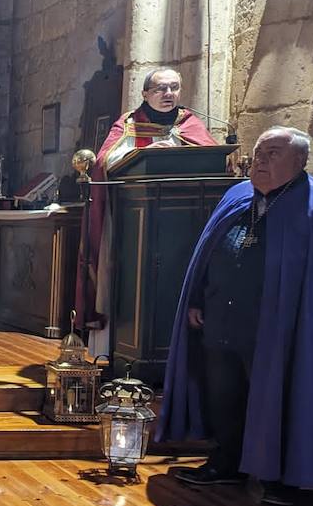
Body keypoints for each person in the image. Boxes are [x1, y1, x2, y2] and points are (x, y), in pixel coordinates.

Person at [159, 127, 313, 506]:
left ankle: (282, 479)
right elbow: (207, 254)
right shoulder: (237, 196)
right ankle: (228, 462)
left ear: (300, 162)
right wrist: (197, 299)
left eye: (273, 154)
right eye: (259, 153)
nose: (260, 160)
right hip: (222, 319)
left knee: (279, 397)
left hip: (281, 327)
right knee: (224, 394)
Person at [76, 68, 217, 352]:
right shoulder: (128, 124)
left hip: (182, 221)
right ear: (144, 94)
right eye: (160, 89)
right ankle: (119, 348)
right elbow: (105, 161)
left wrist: (176, 148)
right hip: (133, 220)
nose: (168, 94)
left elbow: (211, 157)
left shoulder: (189, 123)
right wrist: (144, 153)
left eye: (174, 88)